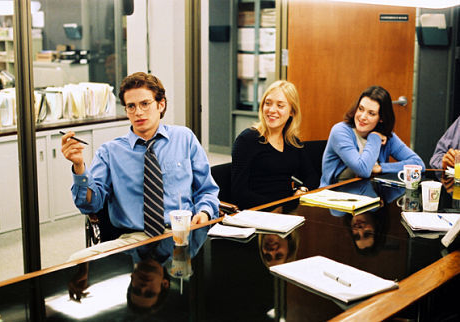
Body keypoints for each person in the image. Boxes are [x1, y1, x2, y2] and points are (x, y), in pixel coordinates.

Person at [62, 72, 219, 256]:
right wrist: (79, 166)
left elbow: (207, 190)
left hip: (182, 234)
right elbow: (90, 205)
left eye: (145, 104)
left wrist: (205, 212)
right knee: (77, 261)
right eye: (131, 106)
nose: (138, 112)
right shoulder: (110, 151)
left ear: (161, 105)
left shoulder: (184, 138)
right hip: (134, 240)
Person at [231, 80, 319, 209]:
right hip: (259, 213)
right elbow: (239, 193)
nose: (272, 110)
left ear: (292, 112)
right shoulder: (247, 140)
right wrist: (277, 207)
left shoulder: (291, 142)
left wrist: (303, 189)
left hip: (285, 212)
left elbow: (312, 176)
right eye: (268, 103)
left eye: (280, 105)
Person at [320, 85, 425, 187]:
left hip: (371, 196)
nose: (363, 117)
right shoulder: (340, 131)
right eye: (361, 109)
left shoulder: (387, 136)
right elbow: (363, 170)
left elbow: (419, 164)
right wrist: (374, 137)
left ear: (381, 118)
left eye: (371, 113)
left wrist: (380, 168)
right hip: (335, 197)